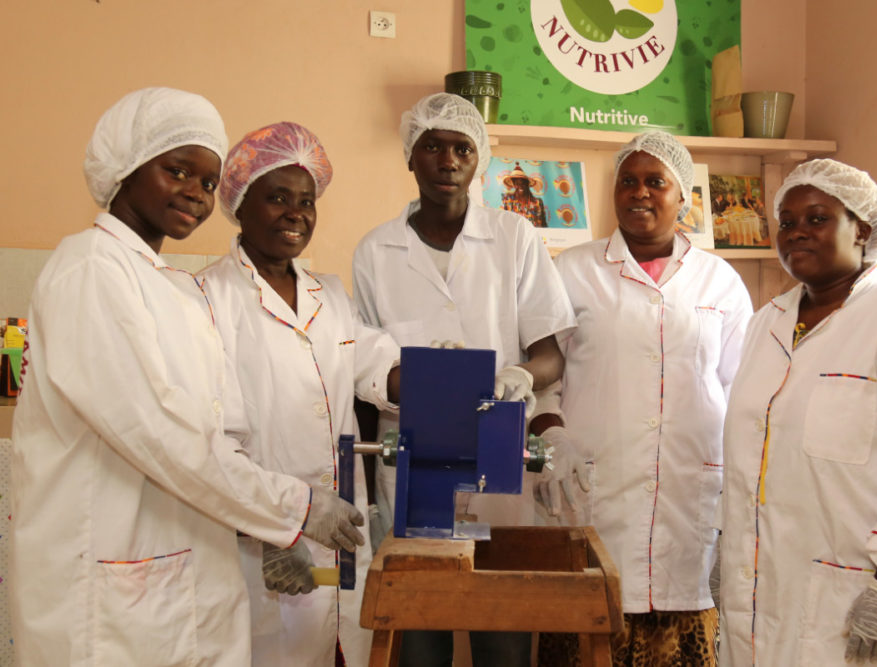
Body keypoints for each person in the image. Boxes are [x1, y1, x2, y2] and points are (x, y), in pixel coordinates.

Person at [10, 88, 365, 666]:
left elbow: (216, 430)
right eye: (177, 171)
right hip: (108, 582)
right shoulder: (90, 269)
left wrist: (273, 525)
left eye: (206, 182)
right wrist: (293, 508)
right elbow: (159, 434)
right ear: (125, 168)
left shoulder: (173, 288)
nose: (195, 195)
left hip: (185, 574)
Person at [351, 92, 576, 667]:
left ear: (479, 161)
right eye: (431, 146)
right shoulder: (376, 250)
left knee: (501, 637)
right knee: (418, 637)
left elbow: (550, 352)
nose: (446, 160)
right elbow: (363, 366)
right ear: (409, 157)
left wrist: (519, 375)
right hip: (410, 468)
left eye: (461, 148)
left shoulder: (514, 237)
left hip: (499, 461)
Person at [718, 159, 877, 665]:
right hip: (766, 582)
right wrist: (728, 547)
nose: (797, 233)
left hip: (861, 587)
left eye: (817, 218)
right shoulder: (766, 322)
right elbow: (747, 454)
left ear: (863, 230)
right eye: (786, 222)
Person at [531, 130, 753, 666]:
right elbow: (542, 376)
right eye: (627, 181)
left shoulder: (720, 282)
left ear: (684, 197)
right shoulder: (571, 270)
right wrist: (552, 435)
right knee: (587, 635)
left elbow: (742, 393)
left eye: (657, 181)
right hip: (594, 492)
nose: (640, 193)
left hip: (688, 501)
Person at [199, 122, 401, 666]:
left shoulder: (328, 294)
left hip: (341, 535)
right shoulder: (207, 300)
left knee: (343, 649)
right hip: (263, 547)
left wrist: (449, 379)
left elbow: (375, 363)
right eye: (278, 198)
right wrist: (274, 533)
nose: (296, 213)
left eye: (307, 201)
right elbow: (217, 441)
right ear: (240, 204)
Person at [500, 161, 548, 228]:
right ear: (514, 185)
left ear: (528, 185)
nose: (521, 186)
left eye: (523, 183)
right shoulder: (507, 201)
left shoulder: (537, 202)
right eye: (517, 183)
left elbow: (543, 225)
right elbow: (502, 222)